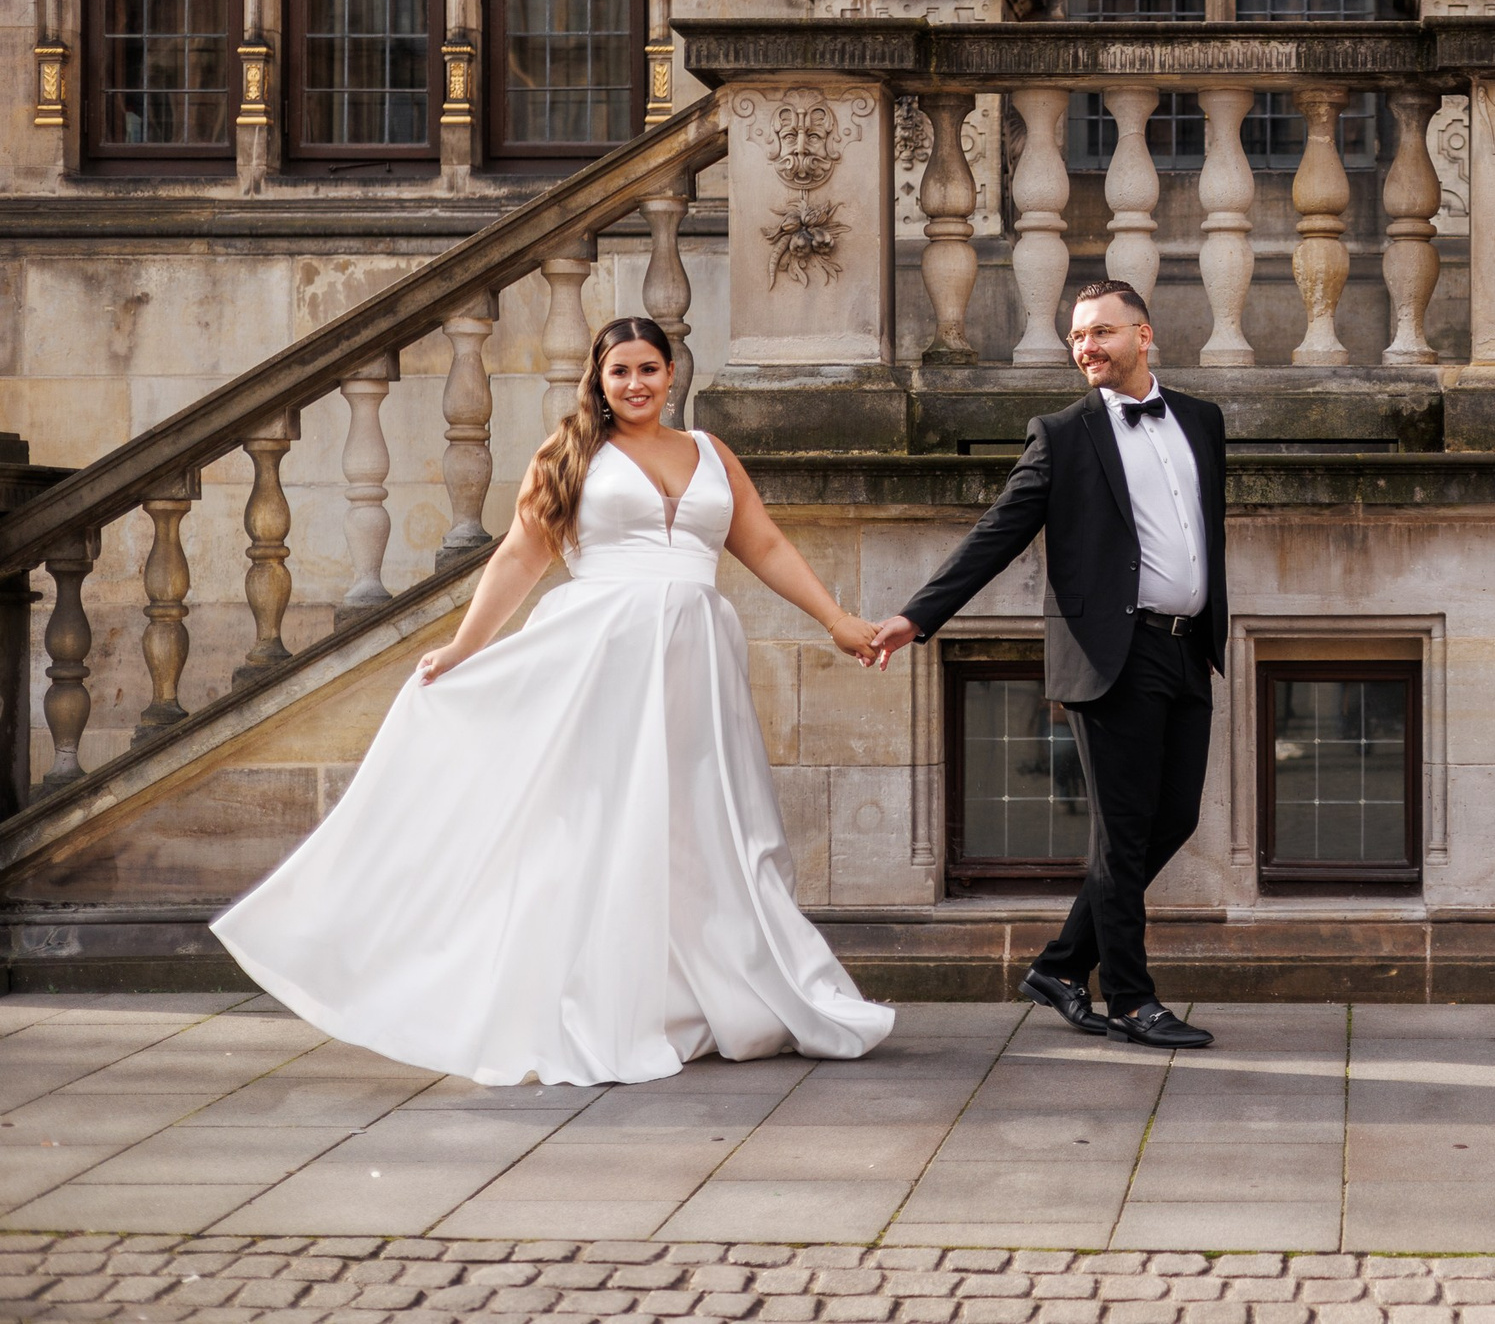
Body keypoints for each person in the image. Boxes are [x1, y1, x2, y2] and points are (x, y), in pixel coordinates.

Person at [213, 317, 896, 1086]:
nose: (634, 383)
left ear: (672, 373)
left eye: (647, 368)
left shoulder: (711, 453)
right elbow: (518, 555)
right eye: (619, 372)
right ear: (599, 381)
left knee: (706, 823)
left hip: (696, 660)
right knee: (605, 823)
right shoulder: (570, 454)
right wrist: (465, 646)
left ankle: (706, 992)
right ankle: (597, 996)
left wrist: (837, 620)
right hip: (599, 656)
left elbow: (764, 542)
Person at [870, 280, 1224, 1049]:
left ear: (1143, 333)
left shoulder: (1201, 420)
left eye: (1100, 332)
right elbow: (997, 532)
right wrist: (917, 615)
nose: (1086, 347)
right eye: (1076, 337)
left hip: (1187, 646)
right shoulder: (1061, 435)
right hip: (1111, 655)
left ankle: (1063, 965)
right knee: (1122, 832)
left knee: (1175, 817)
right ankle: (1130, 999)